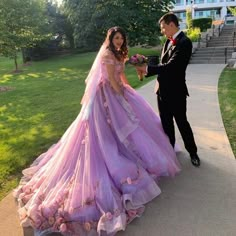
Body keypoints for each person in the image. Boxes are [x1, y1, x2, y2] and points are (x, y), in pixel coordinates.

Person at [14, 26, 180, 236]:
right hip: (107, 96)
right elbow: (111, 79)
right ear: (110, 39)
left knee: (132, 128)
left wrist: (129, 87)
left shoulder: (119, 52)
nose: (119, 41)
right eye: (116, 38)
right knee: (108, 132)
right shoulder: (107, 54)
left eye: (121, 38)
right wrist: (121, 96)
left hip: (118, 91)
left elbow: (121, 77)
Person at [136, 12, 201, 167]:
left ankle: (193, 152)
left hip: (176, 93)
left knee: (182, 123)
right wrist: (143, 62)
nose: (162, 31)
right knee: (166, 125)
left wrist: (147, 69)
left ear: (171, 24)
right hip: (161, 92)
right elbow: (162, 61)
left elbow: (172, 66)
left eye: (163, 27)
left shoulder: (185, 42)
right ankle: (169, 151)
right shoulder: (167, 42)